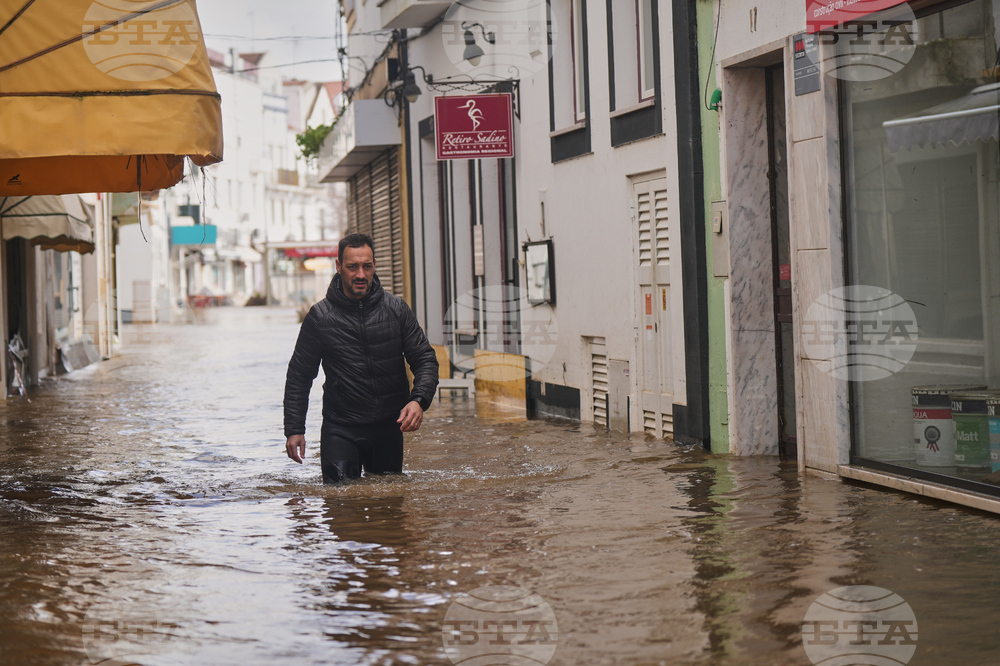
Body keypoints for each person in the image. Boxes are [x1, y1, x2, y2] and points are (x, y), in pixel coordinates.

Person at [283, 233, 439, 482]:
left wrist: (419, 400)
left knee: (389, 502)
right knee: (339, 501)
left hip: (389, 427)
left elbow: (424, 359)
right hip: (340, 428)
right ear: (338, 266)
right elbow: (299, 377)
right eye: (352, 266)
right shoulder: (320, 317)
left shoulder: (396, 310)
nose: (360, 274)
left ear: (374, 265)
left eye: (367, 266)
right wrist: (294, 429)